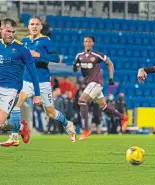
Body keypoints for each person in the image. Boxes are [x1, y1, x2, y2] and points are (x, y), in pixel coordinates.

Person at [1, 16, 76, 147]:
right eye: (32, 24)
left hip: (42, 81)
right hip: (26, 80)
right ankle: (14, 136)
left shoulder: (45, 41)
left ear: (41, 27)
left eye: (37, 24)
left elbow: (56, 58)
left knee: (50, 112)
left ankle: (67, 124)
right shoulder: (23, 42)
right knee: (17, 104)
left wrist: (40, 55)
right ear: (28, 27)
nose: (34, 26)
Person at [73, 36, 128, 140]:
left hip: (96, 83)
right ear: (83, 43)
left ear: (93, 43)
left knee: (82, 101)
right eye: (85, 41)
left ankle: (85, 130)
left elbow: (110, 64)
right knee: (104, 106)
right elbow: (75, 69)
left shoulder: (97, 55)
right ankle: (123, 117)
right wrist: (75, 66)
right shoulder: (79, 56)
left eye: (89, 41)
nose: (87, 43)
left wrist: (111, 78)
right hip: (89, 84)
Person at [0, 17, 41, 146]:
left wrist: (38, 94)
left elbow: (34, 72)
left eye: (13, 32)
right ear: (1, 30)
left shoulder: (22, 49)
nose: (11, 35)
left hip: (10, 89)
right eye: (8, 31)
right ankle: (21, 128)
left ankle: (21, 128)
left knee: (0, 122)